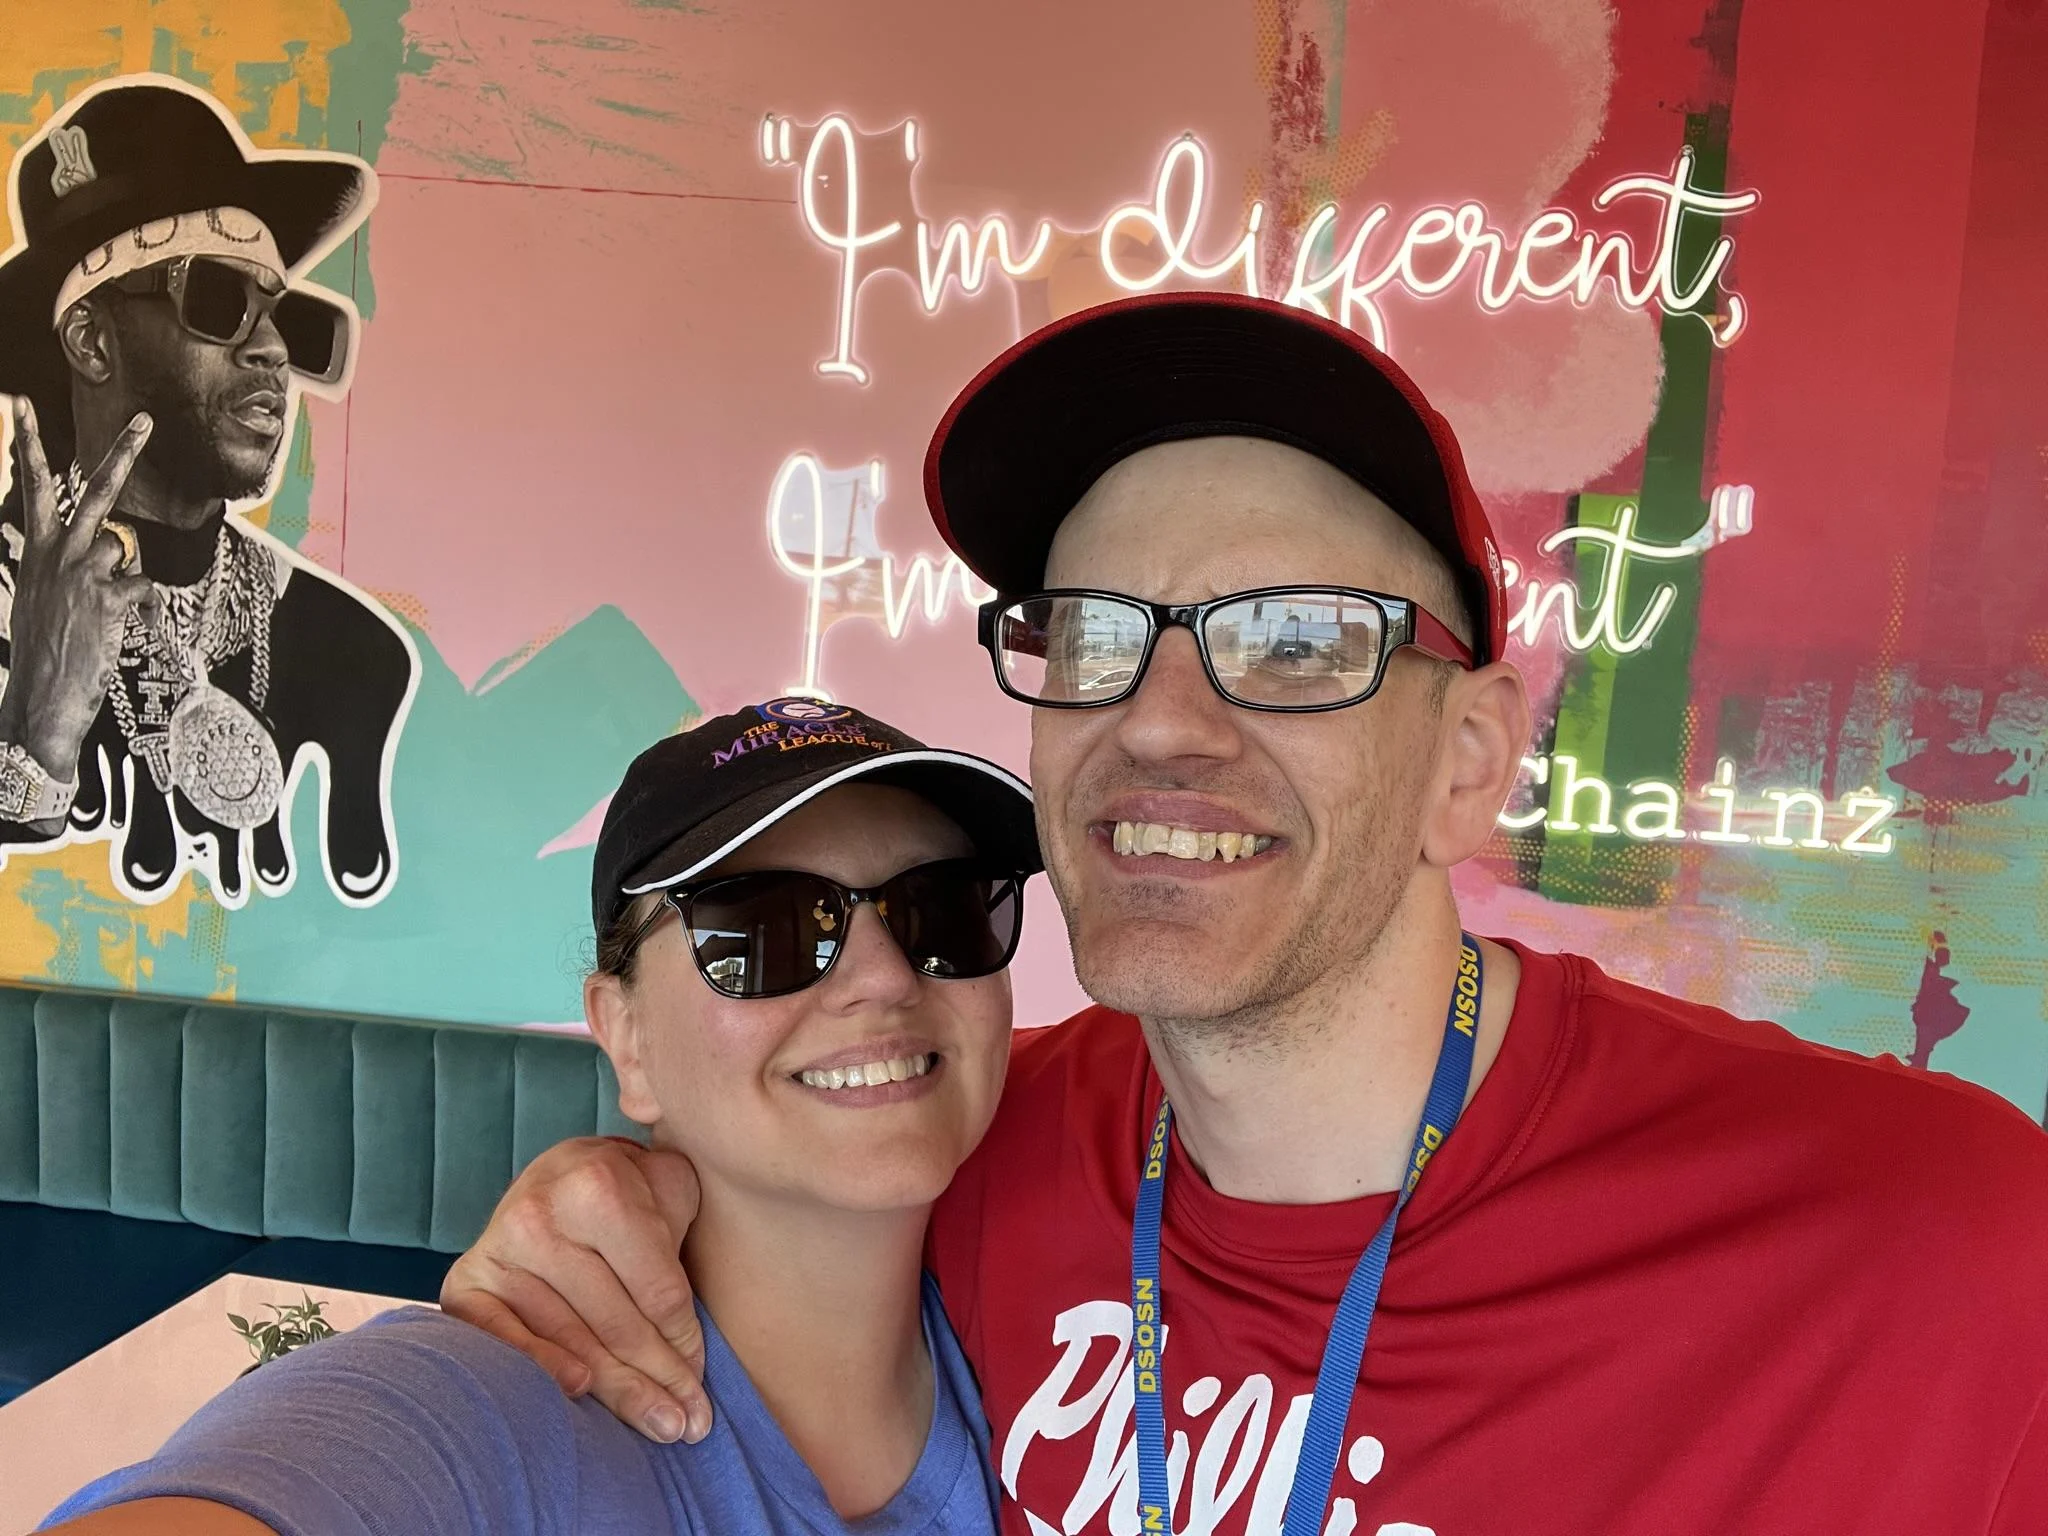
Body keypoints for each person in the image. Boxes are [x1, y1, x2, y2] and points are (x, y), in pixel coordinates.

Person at [441, 292, 2048, 1535]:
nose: (1159, 723)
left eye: (1296, 642)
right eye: (1095, 636)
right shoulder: (974, 1145)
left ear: (1469, 761)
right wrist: (622, 1193)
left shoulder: (1938, 1245)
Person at [40, 698, 1040, 1535]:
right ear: (626, 1037)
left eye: (943, 909)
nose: (883, 976)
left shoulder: (1065, 1354)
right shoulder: (491, 1409)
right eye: (762, 926)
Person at [0, 77, 417, 907]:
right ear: (91, 341)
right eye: (219, 298)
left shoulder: (356, 655)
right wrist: (40, 733)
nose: (272, 350)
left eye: (281, 314)